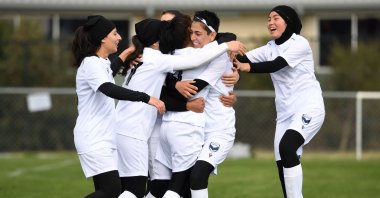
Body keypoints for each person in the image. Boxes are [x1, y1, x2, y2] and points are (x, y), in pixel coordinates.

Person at [115, 17, 245, 198]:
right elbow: (201, 59)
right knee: (176, 187)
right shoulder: (175, 57)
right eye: (191, 32)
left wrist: (232, 59)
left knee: (157, 187)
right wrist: (226, 46)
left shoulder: (158, 56)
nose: (194, 37)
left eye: (197, 33)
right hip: (180, 127)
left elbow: (222, 40)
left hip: (159, 128)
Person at [234, 5, 325, 198]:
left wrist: (244, 67)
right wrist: (227, 49)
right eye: (268, 19)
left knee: (287, 147)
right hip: (284, 115)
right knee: (282, 163)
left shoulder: (299, 43)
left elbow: (276, 65)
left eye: (275, 18)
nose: (270, 22)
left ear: (288, 21)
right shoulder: (269, 48)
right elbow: (240, 59)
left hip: (309, 107)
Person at [71, 15, 165, 198]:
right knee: (111, 191)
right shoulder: (91, 63)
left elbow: (109, 73)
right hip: (93, 138)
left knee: (111, 191)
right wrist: (146, 98)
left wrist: (125, 55)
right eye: (114, 33)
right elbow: (108, 88)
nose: (119, 37)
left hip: (104, 138)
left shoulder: (101, 62)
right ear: (102, 38)